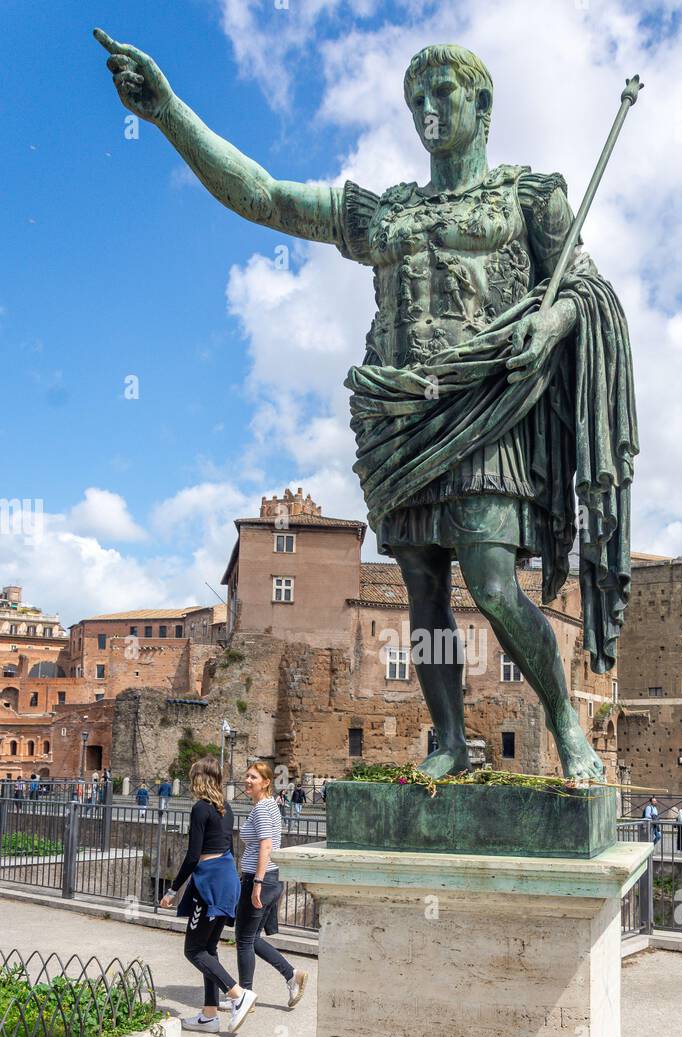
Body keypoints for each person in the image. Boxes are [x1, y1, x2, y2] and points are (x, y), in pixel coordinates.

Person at [95, 34, 639, 784]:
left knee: (489, 579)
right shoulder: (385, 214)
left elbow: (585, 287)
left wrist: (552, 323)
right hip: (399, 421)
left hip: (487, 413)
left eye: (442, 92)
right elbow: (265, 196)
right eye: (416, 98)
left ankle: (567, 726)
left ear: (481, 103)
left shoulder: (528, 198)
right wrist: (168, 114)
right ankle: (449, 739)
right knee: (423, 589)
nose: (427, 108)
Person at [159, 756, 254, 1034]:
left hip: (210, 883)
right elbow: (229, 848)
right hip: (227, 878)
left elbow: (192, 856)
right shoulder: (227, 808)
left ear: (198, 779)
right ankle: (209, 1015)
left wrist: (172, 890)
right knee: (209, 949)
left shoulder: (201, 808)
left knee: (194, 950)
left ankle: (237, 994)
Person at [234, 761, 306, 1009]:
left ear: (265, 782)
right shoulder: (269, 806)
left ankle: (245, 996)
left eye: (253, 777)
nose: (247, 781)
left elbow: (266, 845)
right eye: (247, 776)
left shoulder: (263, 809)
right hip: (270, 878)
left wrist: (257, 882)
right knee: (251, 937)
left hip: (260, 880)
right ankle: (291, 975)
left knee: (244, 939)